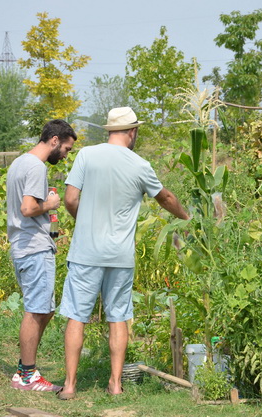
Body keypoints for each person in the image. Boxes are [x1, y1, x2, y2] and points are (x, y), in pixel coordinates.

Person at [57, 107, 189, 400]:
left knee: (77, 316)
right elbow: (165, 197)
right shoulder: (140, 164)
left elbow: (69, 198)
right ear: (132, 132)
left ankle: (69, 386)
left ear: (110, 130)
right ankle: (115, 384)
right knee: (118, 317)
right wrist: (187, 217)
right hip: (119, 255)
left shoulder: (86, 155)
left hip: (86, 252)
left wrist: (84, 220)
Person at [6, 119, 77, 392]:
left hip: (23, 245)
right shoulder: (36, 166)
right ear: (55, 140)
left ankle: (26, 365)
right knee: (37, 310)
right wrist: (51, 203)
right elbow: (27, 208)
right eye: (67, 149)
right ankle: (26, 374)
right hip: (34, 248)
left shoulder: (19, 163)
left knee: (42, 309)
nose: (66, 155)